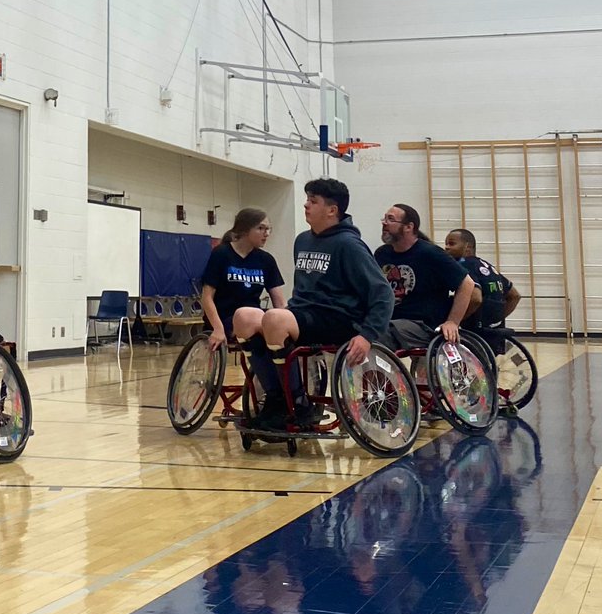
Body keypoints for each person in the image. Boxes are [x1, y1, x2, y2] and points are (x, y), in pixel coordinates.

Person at [233, 178, 394, 431]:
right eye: (307, 199)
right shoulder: (302, 240)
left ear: (332, 210)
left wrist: (367, 335)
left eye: (313, 201)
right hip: (304, 314)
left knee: (275, 318)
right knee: (243, 317)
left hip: (339, 318)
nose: (306, 205)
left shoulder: (349, 245)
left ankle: (298, 403)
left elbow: (383, 293)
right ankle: (276, 399)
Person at [374, 204, 475, 352]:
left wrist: (452, 322)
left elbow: (467, 284)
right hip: (393, 320)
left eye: (391, 219)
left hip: (423, 325)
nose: (384, 223)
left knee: (378, 334)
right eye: (384, 218)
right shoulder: (382, 254)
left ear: (409, 227)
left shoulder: (430, 253)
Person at [198, 207, 285, 351]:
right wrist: (218, 329)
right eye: (261, 228)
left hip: (255, 316)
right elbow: (207, 297)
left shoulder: (266, 260)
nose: (266, 234)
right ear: (245, 230)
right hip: (225, 318)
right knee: (255, 324)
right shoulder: (221, 254)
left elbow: (280, 302)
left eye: (268, 229)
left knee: (279, 328)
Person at [444, 228, 521, 330]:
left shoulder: (465, 265)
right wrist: (497, 319)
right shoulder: (488, 267)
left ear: (467, 246)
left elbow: (476, 299)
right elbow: (515, 296)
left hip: (475, 331)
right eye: (446, 244)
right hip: (495, 331)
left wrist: (456, 321)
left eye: (451, 244)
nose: (446, 247)